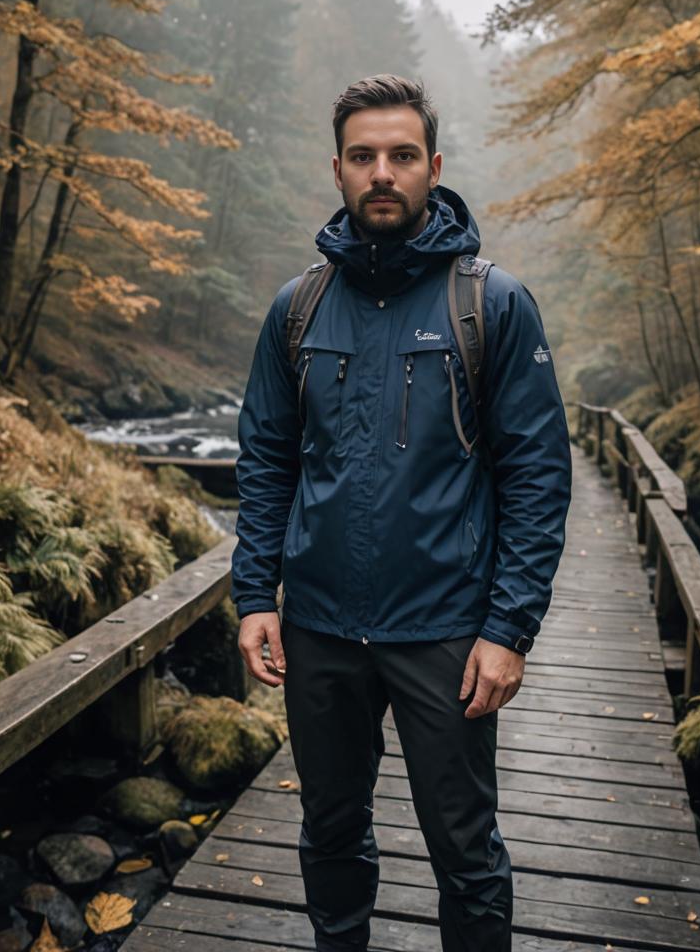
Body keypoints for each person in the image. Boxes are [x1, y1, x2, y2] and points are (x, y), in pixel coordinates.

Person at [231, 74, 572, 952]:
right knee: (330, 834)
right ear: (338, 170)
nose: (383, 173)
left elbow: (538, 477)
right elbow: (267, 459)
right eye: (363, 157)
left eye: (402, 156)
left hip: (447, 632)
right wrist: (254, 597)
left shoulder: (490, 304)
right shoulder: (296, 308)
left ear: (434, 167)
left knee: (465, 849)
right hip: (320, 631)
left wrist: (510, 629)